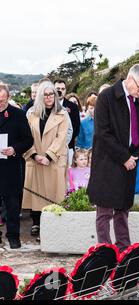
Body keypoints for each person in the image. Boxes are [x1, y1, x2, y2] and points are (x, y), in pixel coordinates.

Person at [87, 63, 139, 252]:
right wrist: (124, 157)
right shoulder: (106, 97)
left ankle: (124, 249)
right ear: (130, 79)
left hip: (130, 163)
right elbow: (102, 133)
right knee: (105, 211)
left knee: (123, 210)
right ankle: (104, 251)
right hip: (109, 162)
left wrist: (136, 155)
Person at [22, 81, 69, 239]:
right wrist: (34, 155)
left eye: (51, 94)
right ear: (40, 97)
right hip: (35, 159)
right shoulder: (31, 114)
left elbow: (61, 138)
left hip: (53, 160)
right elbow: (26, 137)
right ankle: (36, 223)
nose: (49, 97)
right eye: (46, 94)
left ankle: (53, 227)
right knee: (36, 193)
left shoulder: (62, 114)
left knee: (53, 194)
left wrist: (48, 156)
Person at [0, 84, 34, 248]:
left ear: (7, 98)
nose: (0, 103)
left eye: (2, 100)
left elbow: (28, 140)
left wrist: (14, 149)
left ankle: (13, 237)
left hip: (11, 167)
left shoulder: (18, 115)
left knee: (12, 204)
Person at [54, 79, 81, 165]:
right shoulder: (47, 106)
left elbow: (76, 128)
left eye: (63, 89)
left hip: (67, 147)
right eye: (58, 88)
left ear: (66, 90)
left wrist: (63, 141)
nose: (60, 91)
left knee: (66, 175)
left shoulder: (73, 107)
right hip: (50, 147)